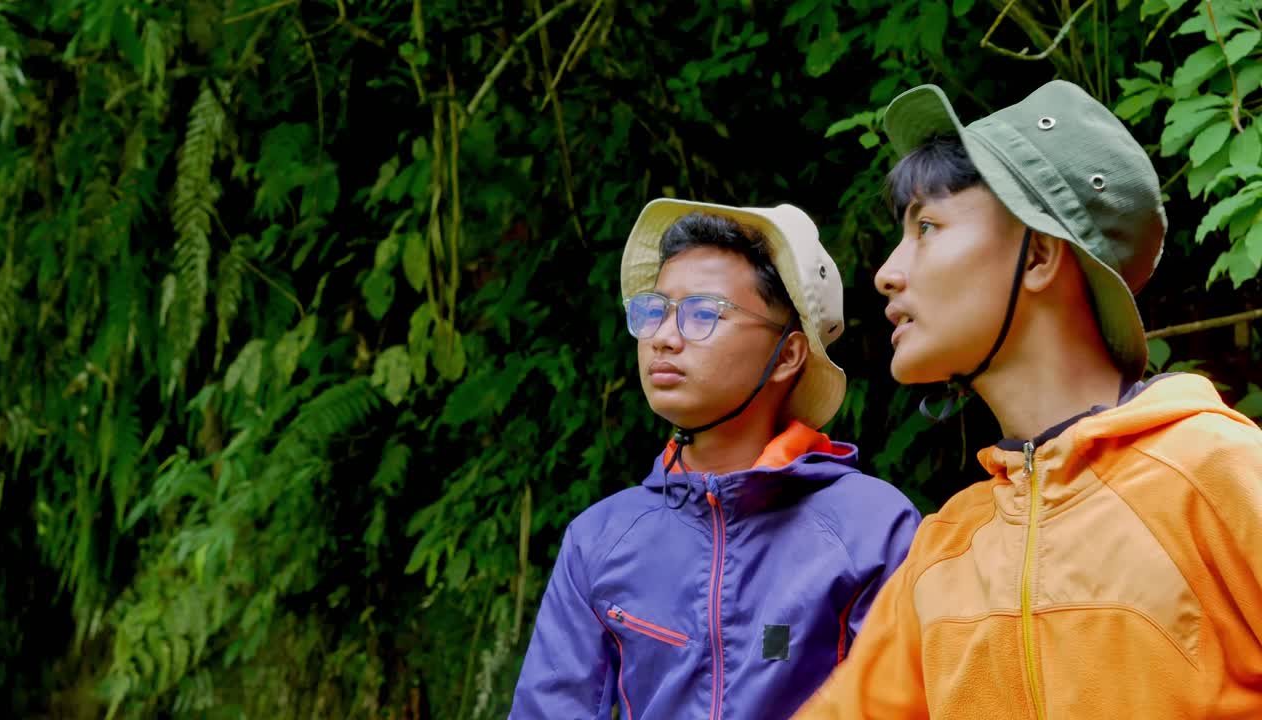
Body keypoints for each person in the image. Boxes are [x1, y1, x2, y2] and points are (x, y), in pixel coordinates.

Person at [792, 80, 1262, 719]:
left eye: (926, 226)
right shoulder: (945, 550)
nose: (886, 272)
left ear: (1038, 254)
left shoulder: (1219, 471)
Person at [509, 200, 921, 719]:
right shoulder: (601, 538)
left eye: (702, 313)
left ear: (788, 354)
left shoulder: (873, 528)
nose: (663, 337)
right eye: (653, 311)